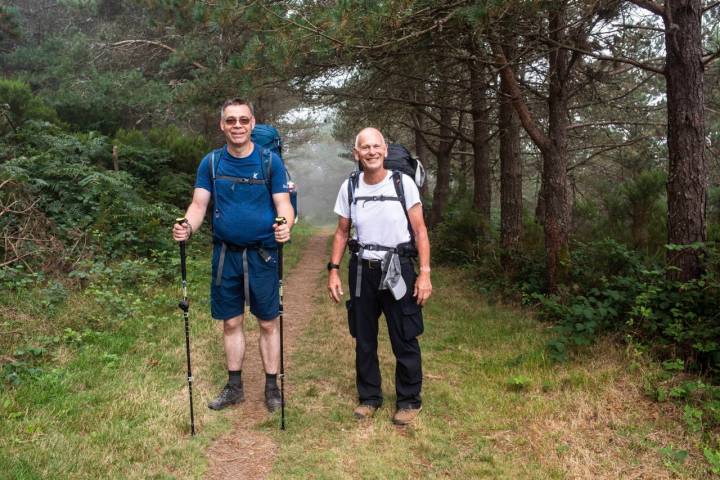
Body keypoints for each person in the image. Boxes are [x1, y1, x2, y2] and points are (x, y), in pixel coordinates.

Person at [172, 98, 294, 412]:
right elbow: (199, 206)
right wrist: (187, 226)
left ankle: (271, 387)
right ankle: (234, 386)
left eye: (242, 120)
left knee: (268, 323)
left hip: (263, 254)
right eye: (230, 121)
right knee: (231, 322)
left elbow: (284, 205)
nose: (237, 126)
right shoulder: (211, 163)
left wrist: (286, 227)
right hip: (226, 254)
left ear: (252, 124)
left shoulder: (269, 162)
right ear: (221, 125)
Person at [327, 127, 432, 426]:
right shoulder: (349, 187)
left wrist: (424, 274)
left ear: (385, 150)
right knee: (364, 338)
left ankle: (409, 399)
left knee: (405, 334)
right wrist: (333, 271)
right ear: (356, 153)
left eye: (376, 146)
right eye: (365, 148)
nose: (371, 152)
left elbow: (421, 231)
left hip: (399, 267)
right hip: (362, 269)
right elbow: (341, 232)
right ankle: (369, 397)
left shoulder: (404, 184)